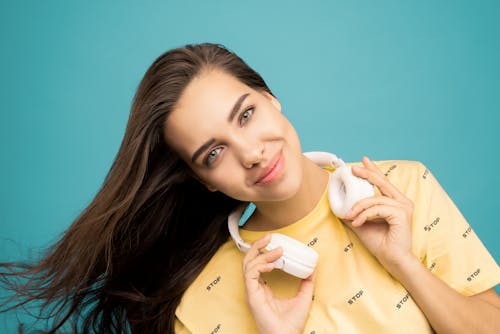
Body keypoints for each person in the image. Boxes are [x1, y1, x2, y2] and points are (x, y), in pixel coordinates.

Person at [1, 43, 499, 334]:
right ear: (202, 181)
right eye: (213, 153)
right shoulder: (199, 302)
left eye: (246, 114)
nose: (252, 152)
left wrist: (404, 264)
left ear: (270, 97)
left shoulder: (401, 190)